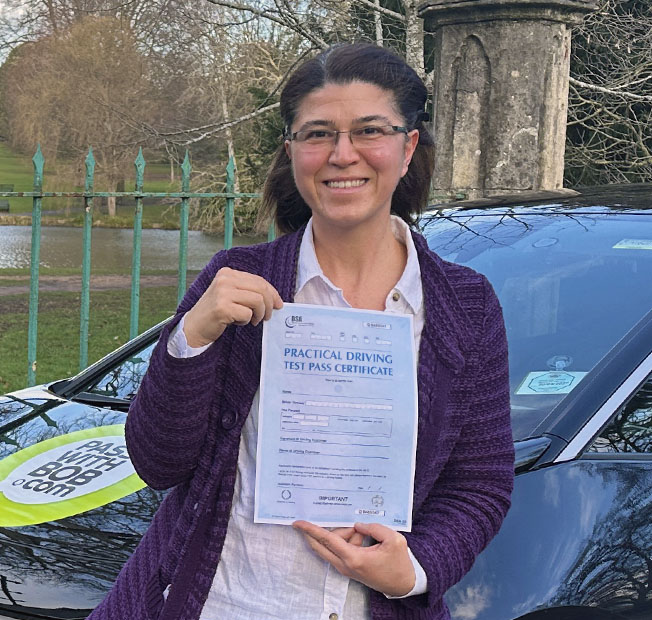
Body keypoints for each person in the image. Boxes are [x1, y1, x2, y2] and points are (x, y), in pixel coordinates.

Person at [90, 42, 514, 620]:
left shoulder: (466, 306)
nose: (343, 155)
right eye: (317, 134)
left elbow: (481, 483)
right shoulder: (237, 281)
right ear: (291, 150)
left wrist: (414, 570)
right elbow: (157, 462)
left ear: (408, 145)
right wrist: (191, 338)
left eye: (369, 130)